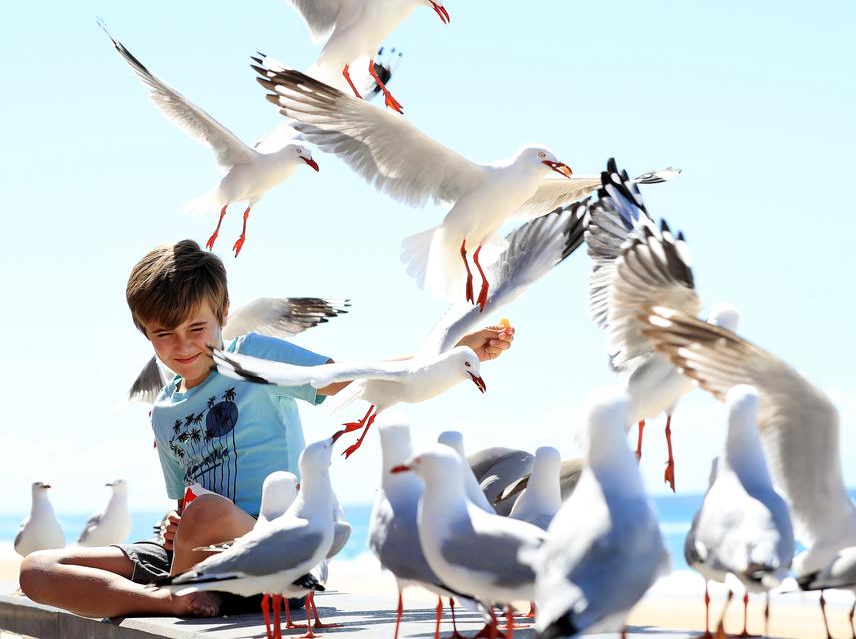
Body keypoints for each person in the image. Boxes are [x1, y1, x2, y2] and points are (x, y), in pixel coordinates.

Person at [19, 239, 514, 618]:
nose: (182, 345)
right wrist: (175, 526)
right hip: (192, 555)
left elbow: (355, 377)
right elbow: (184, 506)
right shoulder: (164, 411)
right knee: (38, 569)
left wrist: (453, 355)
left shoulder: (255, 356)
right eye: (163, 334)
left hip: (276, 552)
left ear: (222, 318)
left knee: (209, 513)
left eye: (197, 328)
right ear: (145, 332)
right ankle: (172, 603)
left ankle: (181, 591)